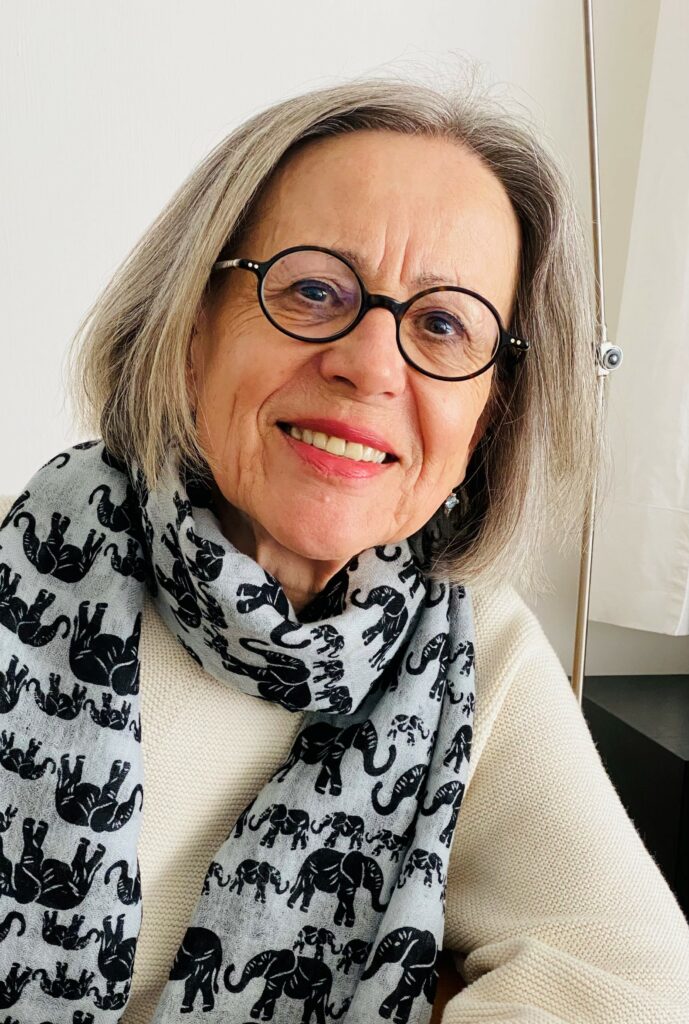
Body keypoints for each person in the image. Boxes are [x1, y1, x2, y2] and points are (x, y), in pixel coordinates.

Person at [1, 74, 688, 1024]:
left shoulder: (474, 655)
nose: (369, 365)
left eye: (442, 325)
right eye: (314, 290)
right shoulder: (24, 564)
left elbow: (633, 987)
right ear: (192, 328)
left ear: (490, 413)